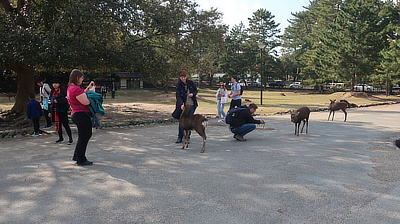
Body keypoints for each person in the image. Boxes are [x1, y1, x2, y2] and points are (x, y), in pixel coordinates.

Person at [67, 69, 96, 166]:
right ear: (77, 78)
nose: (82, 80)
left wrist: (88, 89)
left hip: (77, 114)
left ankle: (77, 155)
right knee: (85, 136)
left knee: (82, 136)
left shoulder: (71, 88)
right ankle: (81, 159)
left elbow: (80, 96)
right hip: (81, 115)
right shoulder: (76, 89)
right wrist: (92, 92)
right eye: (82, 78)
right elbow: (86, 102)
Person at [174, 70, 198, 143]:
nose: (183, 78)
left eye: (184, 77)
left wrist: (193, 94)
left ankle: (187, 137)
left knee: (189, 122)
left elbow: (196, 91)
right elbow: (178, 96)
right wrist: (181, 104)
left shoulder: (190, 83)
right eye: (182, 77)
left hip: (192, 105)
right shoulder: (179, 85)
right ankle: (180, 137)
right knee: (182, 121)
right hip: (184, 106)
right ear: (180, 77)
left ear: (186, 76)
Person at [49, 79, 73, 145]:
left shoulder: (62, 91)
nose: (55, 85)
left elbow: (66, 99)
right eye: (53, 83)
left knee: (65, 125)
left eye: (56, 83)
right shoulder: (53, 92)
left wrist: (58, 100)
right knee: (58, 125)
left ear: (59, 84)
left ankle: (70, 138)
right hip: (55, 111)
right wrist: (50, 111)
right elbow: (50, 101)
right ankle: (60, 138)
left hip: (62, 110)